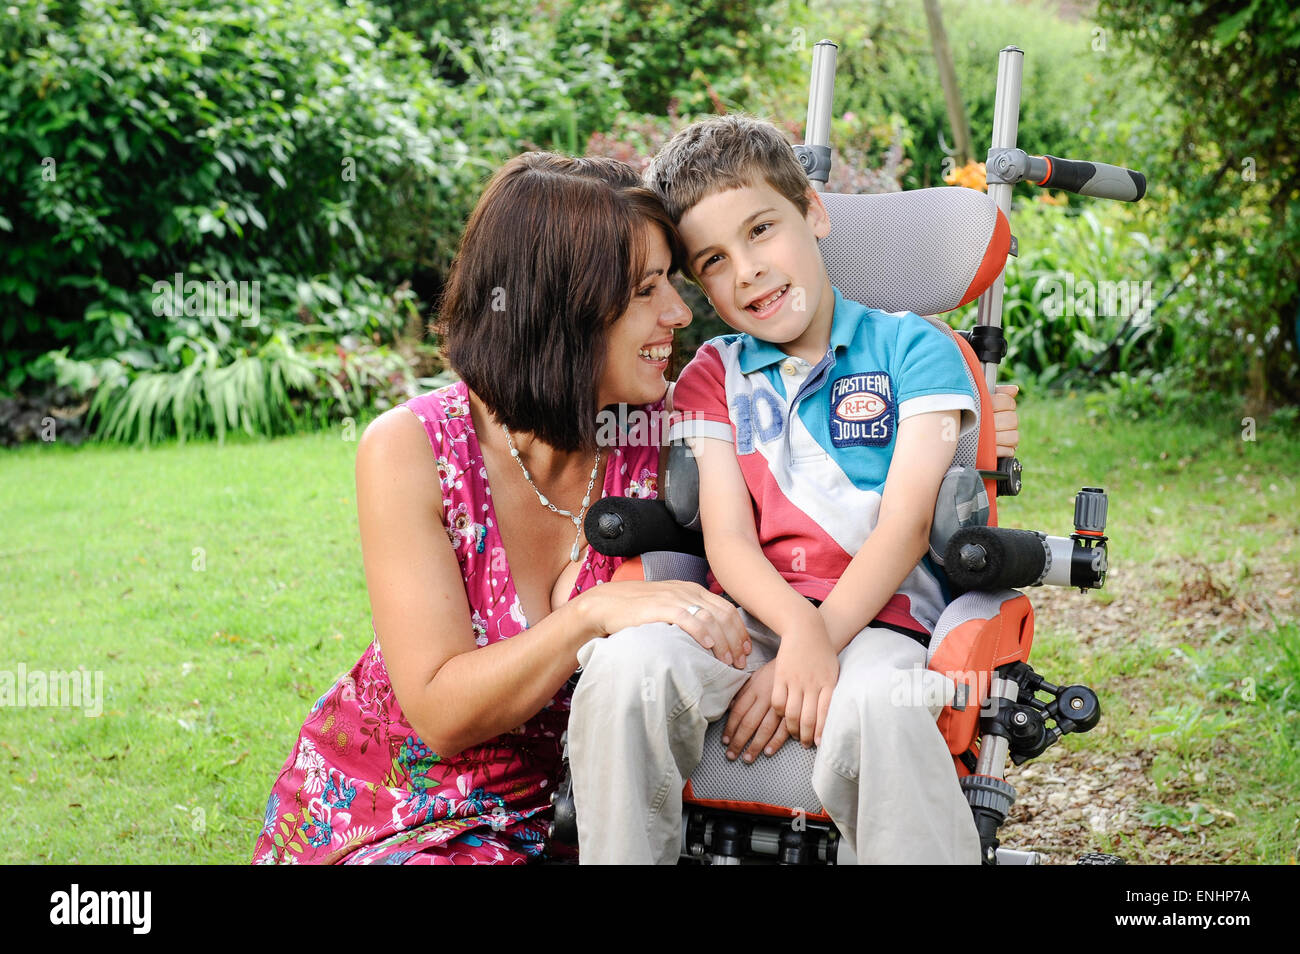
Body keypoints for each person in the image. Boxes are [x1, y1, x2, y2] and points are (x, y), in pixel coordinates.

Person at [250, 152, 753, 864]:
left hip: (575, 814)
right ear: (561, 309)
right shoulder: (412, 449)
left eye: (670, 280)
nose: (678, 312)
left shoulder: (674, 438)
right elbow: (441, 713)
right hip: (399, 807)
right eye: (646, 290)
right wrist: (589, 613)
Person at [567, 115, 1004, 864]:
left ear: (814, 211)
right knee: (623, 668)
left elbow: (903, 528)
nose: (747, 271)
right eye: (713, 260)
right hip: (753, 619)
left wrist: (817, 640)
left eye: (762, 229)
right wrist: (791, 636)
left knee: (881, 706)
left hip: (880, 623)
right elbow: (728, 541)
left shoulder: (915, 351)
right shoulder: (713, 375)